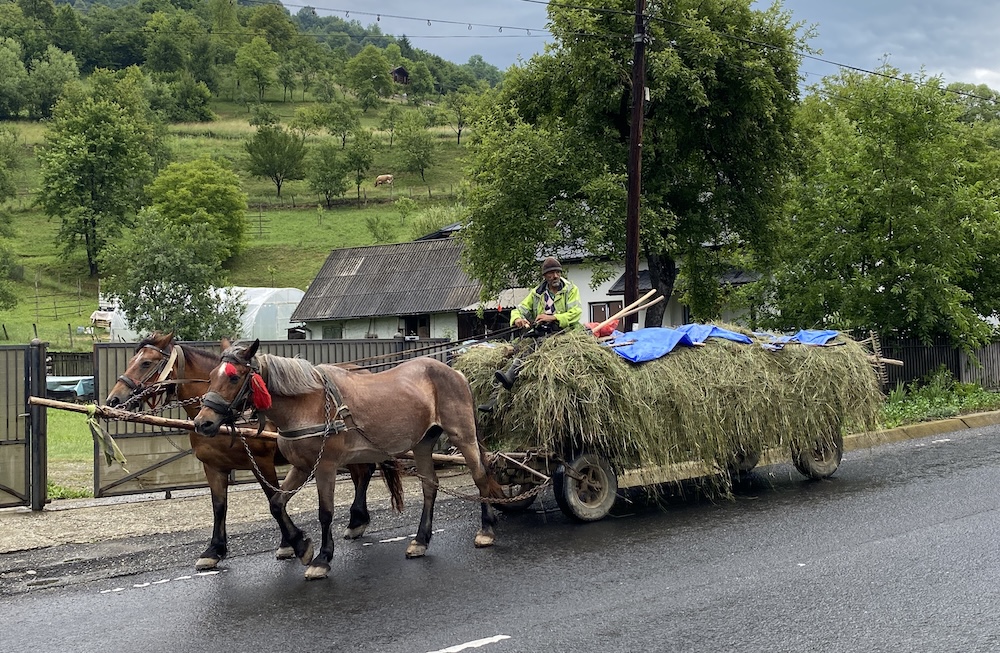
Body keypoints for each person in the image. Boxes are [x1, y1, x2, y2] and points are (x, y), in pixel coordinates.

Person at [479, 257, 582, 412]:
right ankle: (494, 400)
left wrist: (553, 317)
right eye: (551, 273)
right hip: (541, 332)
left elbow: (576, 313)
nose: (555, 276)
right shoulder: (537, 293)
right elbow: (518, 309)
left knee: (531, 350)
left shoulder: (571, 290)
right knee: (515, 353)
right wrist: (518, 319)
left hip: (564, 333)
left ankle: (508, 379)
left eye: (557, 272)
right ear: (545, 276)